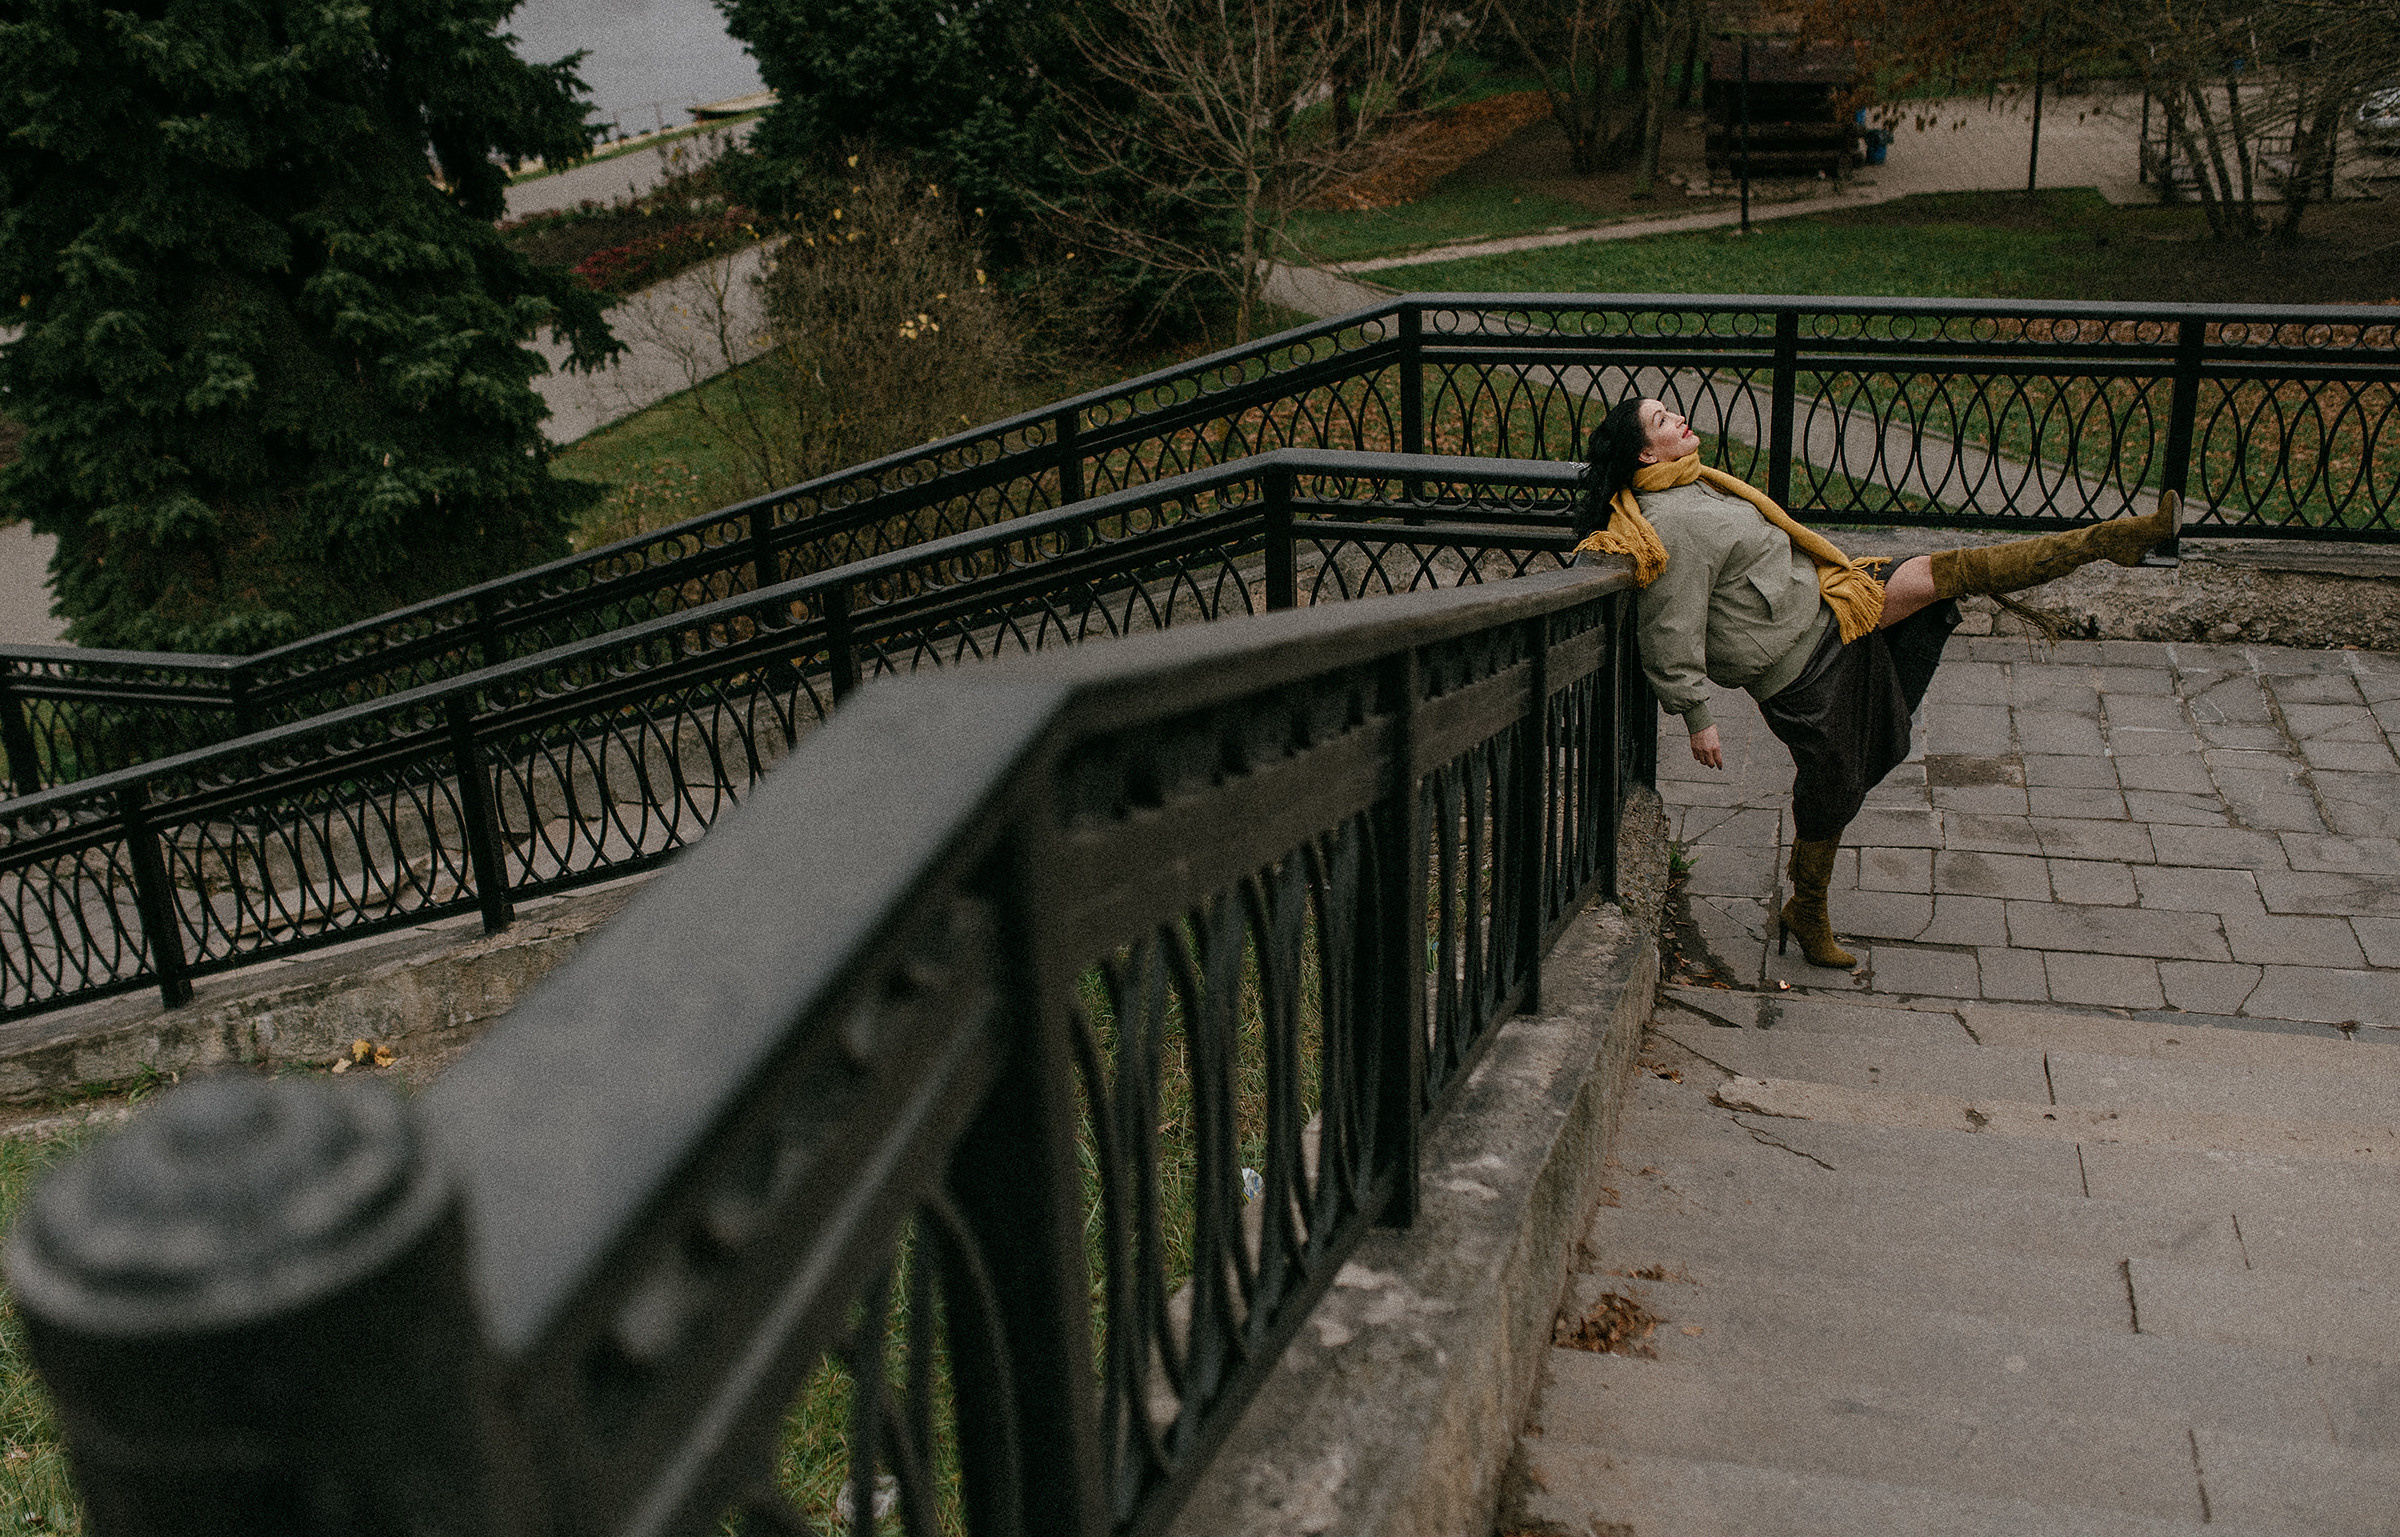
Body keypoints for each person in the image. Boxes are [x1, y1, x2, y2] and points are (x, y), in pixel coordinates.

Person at [1576, 396, 2179, 969]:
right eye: (1661, 418)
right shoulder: (1669, 522)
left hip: (1835, 608)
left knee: (1943, 574)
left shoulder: (1695, 482)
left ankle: (2112, 540)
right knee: (1834, 784)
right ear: (1645, 455)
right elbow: (1669, 629)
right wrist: (1696, 716)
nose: (1678, 417)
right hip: (1803, 671)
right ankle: (1807, 908)